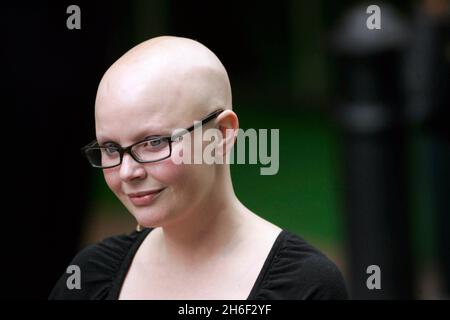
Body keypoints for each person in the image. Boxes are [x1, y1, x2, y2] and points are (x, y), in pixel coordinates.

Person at [49, 36, 348, 300]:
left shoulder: (305, 287)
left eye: (153, 142)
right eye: (111, 149)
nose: (128, 172)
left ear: (222, 134)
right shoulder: (88, 277)